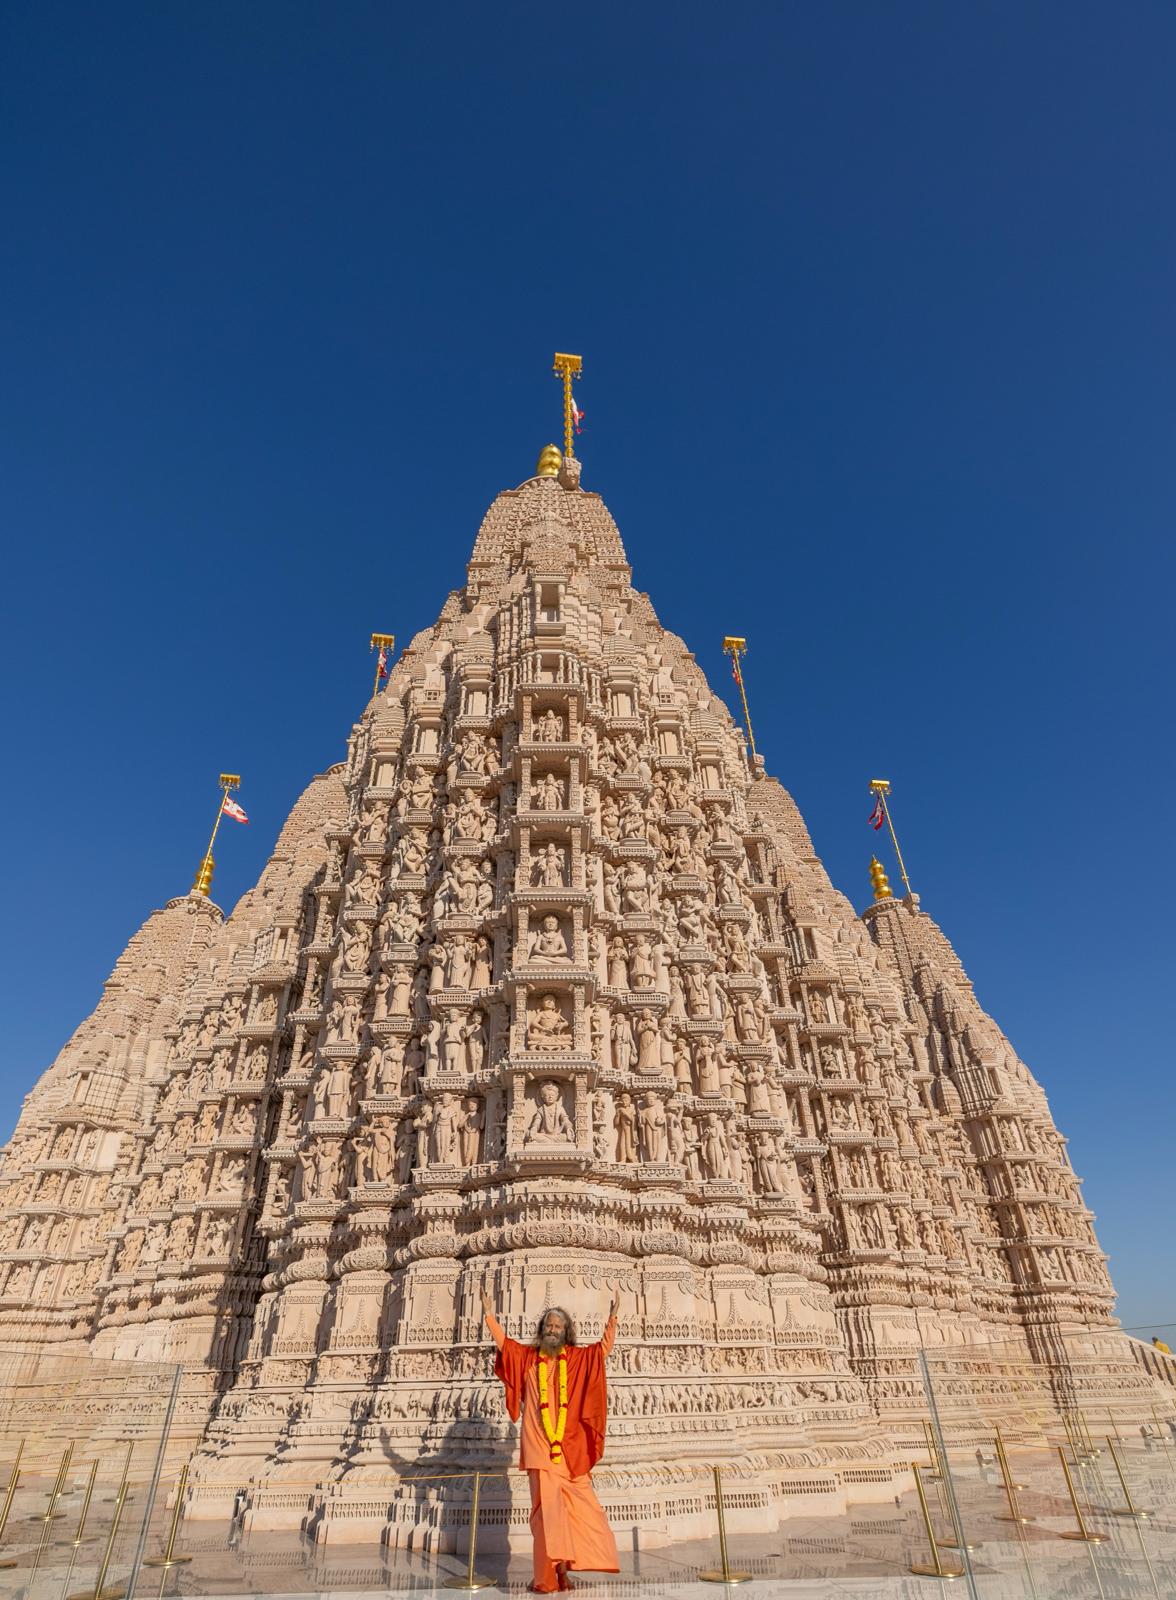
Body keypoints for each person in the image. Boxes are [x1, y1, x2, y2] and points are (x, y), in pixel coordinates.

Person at [482, 1288, 621, 1594]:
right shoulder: (529, 1358)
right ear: (542, 1329)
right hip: (538, 1449)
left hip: (568, 1449)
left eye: (558, 1326)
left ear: (566, 1331)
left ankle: (562, 1570)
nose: (552, 1329)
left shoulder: (576, 1360)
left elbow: (601, 1351)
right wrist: (489, 1315)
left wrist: (612, 1318)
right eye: (549, 1325)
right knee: (546, 1517)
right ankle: (546, 1578)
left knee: (576, 1512)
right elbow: (505, 1345)